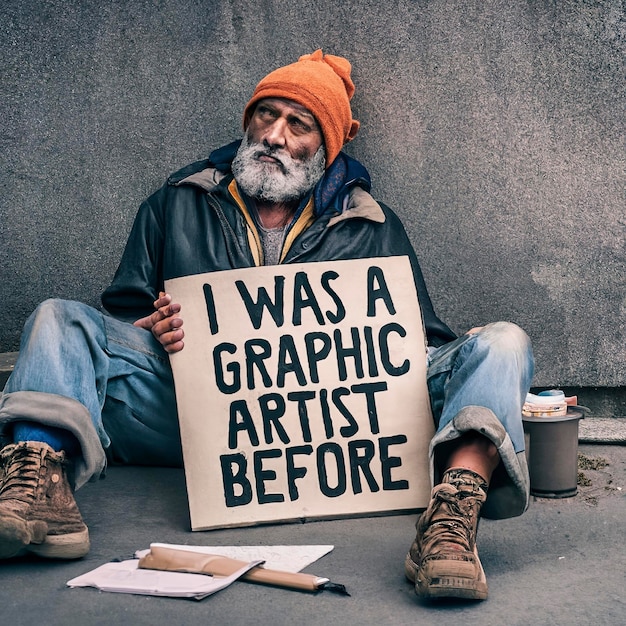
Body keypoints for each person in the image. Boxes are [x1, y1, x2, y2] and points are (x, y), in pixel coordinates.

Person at [0, 50, 533, 601]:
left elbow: (423, 345)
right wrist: (151, 325)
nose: (274, 136)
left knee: (502, 344)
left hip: (327, 435)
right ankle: (36, 486)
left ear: (324, 147)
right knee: (56, 319)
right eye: (264, 116)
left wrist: (428, 357)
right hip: (187, 413)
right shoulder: (176, 203)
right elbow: (119, 320)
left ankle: (450, 522)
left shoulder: (372, 225)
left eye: (297, 124)